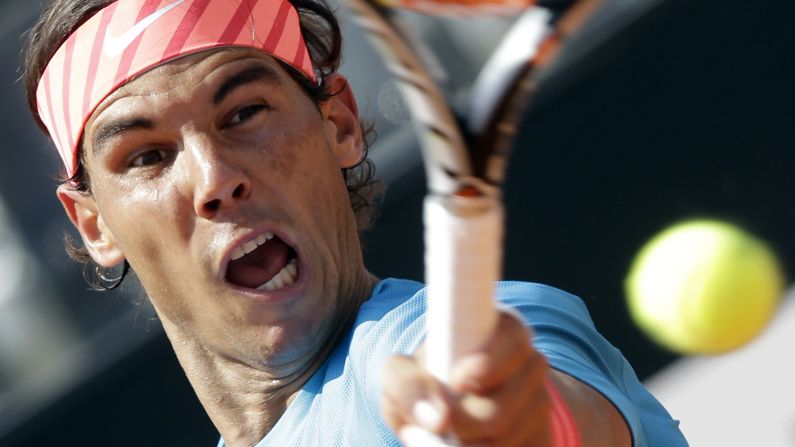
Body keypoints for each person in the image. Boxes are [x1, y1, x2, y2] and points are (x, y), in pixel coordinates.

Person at [21, 0, 688, 445]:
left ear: (336, 123)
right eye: (146, 156)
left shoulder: (439, 343)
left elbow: (551, 407)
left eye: (244, 113)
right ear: (93, 224)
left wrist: (528, 423)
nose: (215, 178)